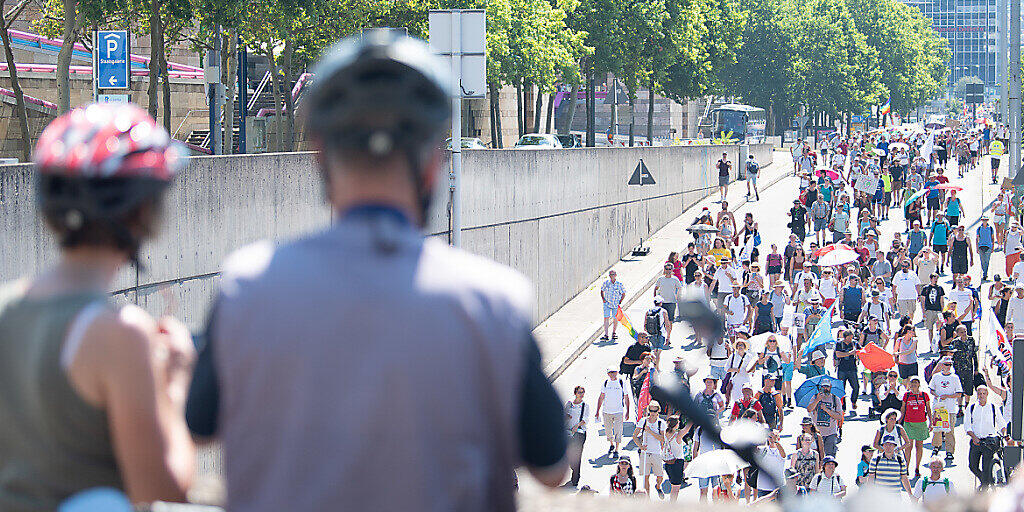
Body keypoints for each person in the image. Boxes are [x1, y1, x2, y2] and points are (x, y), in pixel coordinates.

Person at [0, 103, 196, 510]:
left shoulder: (6, 307)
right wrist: (174, 387)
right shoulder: (118, 332)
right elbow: (162, 492)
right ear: (143, 209)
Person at [965, 386, 1007, 488]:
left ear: (987, 394)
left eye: (984, 393)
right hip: (976, 441)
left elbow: (1002, 424)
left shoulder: (993, 407)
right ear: (977, 394)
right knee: (972, 466)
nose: (982, 396)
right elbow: (967, 426)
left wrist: (1005, 435)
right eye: (980, 394)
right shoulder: (971, 408)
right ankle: (986, 480)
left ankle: (985, 485)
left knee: (986, 466)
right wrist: (974, 437)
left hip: (989, 442)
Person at [929, 357, 963, 463]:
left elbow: (959, 393)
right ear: (942, 365)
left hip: (950, 408)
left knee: (950, 430)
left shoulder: (955, 378)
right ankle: (936, 447)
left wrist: (948, 396)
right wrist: (938, 395)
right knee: (937, 429)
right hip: (939, 407)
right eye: (946, 364)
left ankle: (949, 451)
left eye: (949, 365)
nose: (948, 367)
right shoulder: (936, 377)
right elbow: (931, 389)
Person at [633, 400, 668, 498]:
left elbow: (662, 438)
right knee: (645, 477)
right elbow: (635, 436)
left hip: (656, 452)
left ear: (658, 411)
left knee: (660, 476)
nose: (653, 413)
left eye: (655, 410)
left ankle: (658, 486)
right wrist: (640, 446)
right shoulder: (643, 421)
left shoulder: (661, 423)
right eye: (651, 410)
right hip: (645, 453)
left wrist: (650, 431)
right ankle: (647, 499)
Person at [596, 367, 631, 459]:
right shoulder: (605, 383)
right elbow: (601, 397)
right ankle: (611, 444)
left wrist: (627, 411)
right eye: (610, 372)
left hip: (618, 411)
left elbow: (626, 397)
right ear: (608, 374)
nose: (612, 374)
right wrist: (597, 411)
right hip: (607, 411)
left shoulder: (621, 382)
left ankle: (616, 449)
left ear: (617, 372)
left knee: (618, 430)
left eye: (614, 372)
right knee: (608, 431)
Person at [901, 376, 933, 477]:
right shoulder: (906, 395)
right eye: (912, 382)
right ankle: (906, 468)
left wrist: (931, 422)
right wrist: (899, 421)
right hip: (909, 423)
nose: (914, 384)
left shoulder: (924, 395)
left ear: (919, 384)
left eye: (916, 382)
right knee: (908, 447)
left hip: (921, 423)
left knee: (919, 446)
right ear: (909, 384)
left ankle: (917, 468)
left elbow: (928, 409)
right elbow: (903, 408)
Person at [809, 381, 843, 456]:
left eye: (827, 387)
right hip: (817, 433)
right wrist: (817, 400)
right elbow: (809, 409)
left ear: (830, 387)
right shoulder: (815, 397)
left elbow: (839, 417)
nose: (825, 388)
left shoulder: (835, 399)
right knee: (817, 456)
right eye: (823, 386)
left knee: (829, 457)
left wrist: (826, 410)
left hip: (830, 433)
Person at [564, 386, 590, 487]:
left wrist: (577, 425)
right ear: (575, 393)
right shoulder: (569, 404)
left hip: (579, 433)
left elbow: (586, 419)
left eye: (583, 392)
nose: (581, 394)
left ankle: (575, 479)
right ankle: (573, 468)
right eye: (579, 392)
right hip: (568, 433)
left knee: (577, 456)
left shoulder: (585, 405)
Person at [662, 416, 691, 500]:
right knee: (676, 489)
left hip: (668, 462)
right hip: (677, 463)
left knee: (673, 486)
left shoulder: (666, 433)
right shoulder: (677, 435)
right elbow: (687, 428)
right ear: (676, 424)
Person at [834, 330, 862, 416]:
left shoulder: (854, 343)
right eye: (849, 338)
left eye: (852, 337)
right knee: (841, 389)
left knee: (856, 387)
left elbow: (861, 351)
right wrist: (849, 353)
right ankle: (843, 407)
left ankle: (853, 401)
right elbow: (838, 354)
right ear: (845, 337)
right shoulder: (839, 344)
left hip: (852, 369)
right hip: (842, 369)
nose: (851, 339)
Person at [645, 297, 671, 367]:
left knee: (654, 351)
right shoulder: (664, 311)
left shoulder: (648, 311)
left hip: (651, 334)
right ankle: (656, 368)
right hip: (660, 334)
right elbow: (667, 324)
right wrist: (668, 336)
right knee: (658, 353)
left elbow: (645, 325)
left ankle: (653, 366)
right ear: (661, 303)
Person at [920, 273, 945, 344]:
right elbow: (923, 301)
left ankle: (938, 343)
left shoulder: (940, 288)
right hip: (929, 310)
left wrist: (943, 312)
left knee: (939, 328)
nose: (936, 280)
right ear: (931, 279)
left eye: (937, 278)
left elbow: (942, 300)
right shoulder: (926, 288)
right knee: (930, 328)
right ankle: (931, 344)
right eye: (934, 278)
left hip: (938, 310)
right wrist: (924, 312)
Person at [601, 270, 625, 341]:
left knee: (615, 318)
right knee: (606, 318)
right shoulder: (606, 283)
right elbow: (602, 290)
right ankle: (606, 334)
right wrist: (603, 299)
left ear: (616, 275)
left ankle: (614, 333)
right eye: (611, 274)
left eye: (613, 274)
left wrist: (620, 301)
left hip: (615, 304)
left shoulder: (619, 284)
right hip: (607, 304)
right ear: (609, 276)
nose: (612, 276)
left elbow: (623, 293)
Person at [978, 217, 996, 281]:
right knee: (982, 261)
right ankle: (984, 272)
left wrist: (993, 247)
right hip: (981, 246)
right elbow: (977, 238)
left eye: (986, 220)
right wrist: (977, 247)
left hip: (988, 246)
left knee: (987, 260)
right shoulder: (979, 228)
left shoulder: (990, 228)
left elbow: (993, 238)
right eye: (983, 220)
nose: (984, 221)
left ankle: (985, 273)